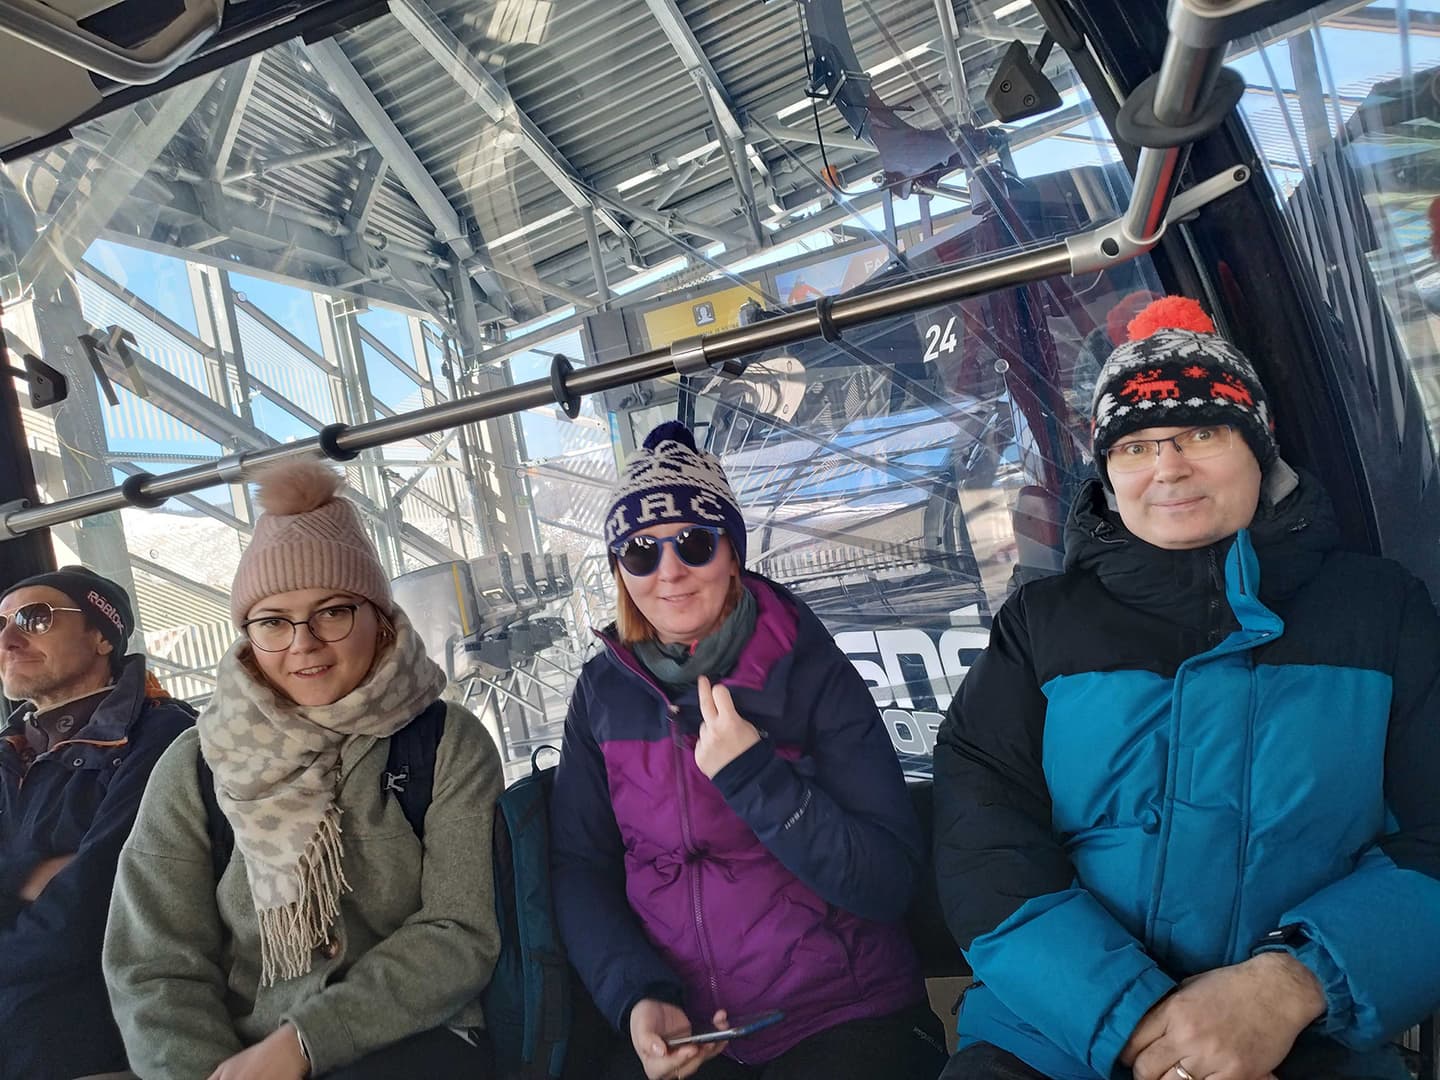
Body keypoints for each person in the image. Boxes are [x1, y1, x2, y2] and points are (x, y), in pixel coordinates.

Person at [932, 296, 1440, 1080]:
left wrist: (1291, 987)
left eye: (1202, 433)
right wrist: (1137, 1025)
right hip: (1054, 1038)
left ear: (1259, 449)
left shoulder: (1381, 612)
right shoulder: (1040, 627)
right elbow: (983, 842)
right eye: (1135, 446)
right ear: (1107, 472)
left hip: (1310, 1036)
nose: (1167, 467)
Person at [551, 421, 946, 1080]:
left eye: (695, 544)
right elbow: (579, 865)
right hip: (692, 1030)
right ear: (620, 568)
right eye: (642, 551)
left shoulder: (809, 669)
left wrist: (756, 778)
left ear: (732, 553)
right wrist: (636, 996)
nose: (669, 573)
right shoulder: (600, 695)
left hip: (842, 1012)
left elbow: (888, 882)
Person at [103, 460, 504, 1079]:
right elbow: (154, 960)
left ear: (378, 617)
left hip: (411, 1040)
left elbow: (458, 930)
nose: (303, 642)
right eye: (272, 622)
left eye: (334, 611)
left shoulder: (444, 742)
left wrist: (305, 1043)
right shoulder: (199, 762)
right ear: (248, 635)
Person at [0, 566, 194, 1080]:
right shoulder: (7, 753)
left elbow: (100, 901)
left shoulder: (162, 735)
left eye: (33, 618)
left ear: (102, 635)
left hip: (99, 1043)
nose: (8, 639)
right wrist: (27, 876)